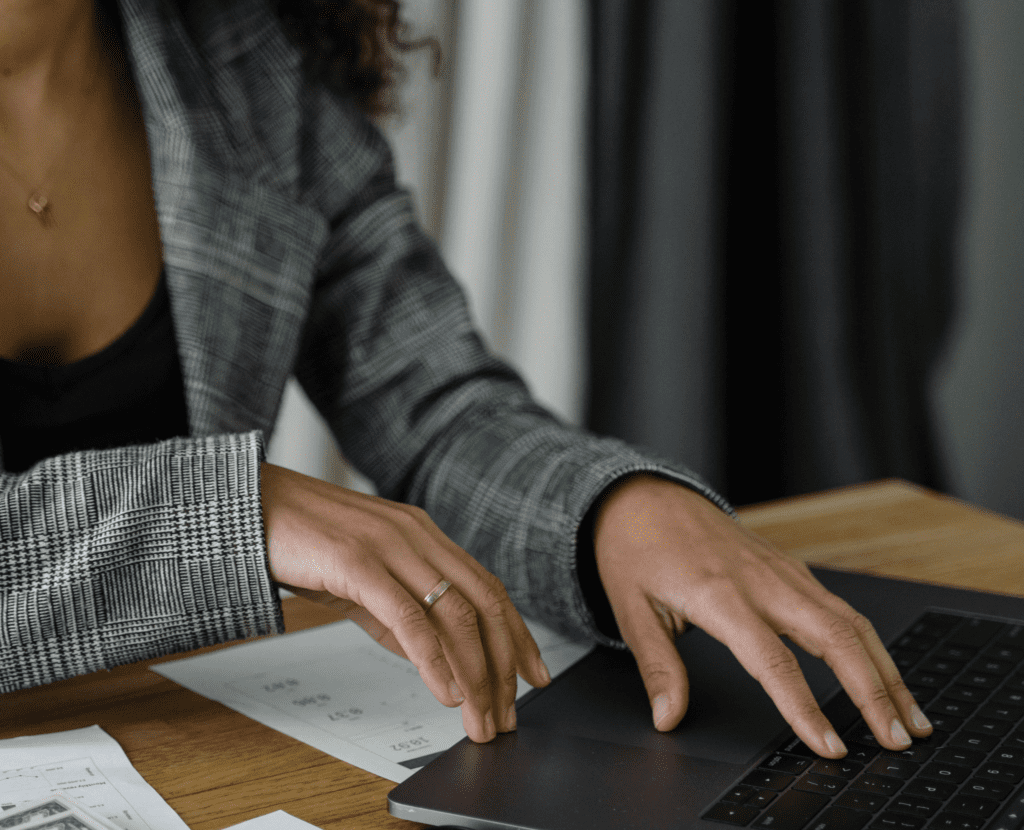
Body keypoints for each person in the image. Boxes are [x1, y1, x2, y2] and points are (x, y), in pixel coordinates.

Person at [0, 0, 932, 759]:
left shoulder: (249, 59)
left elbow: (432, 404)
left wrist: (612, 509)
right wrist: (239, 515)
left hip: (186, 752)